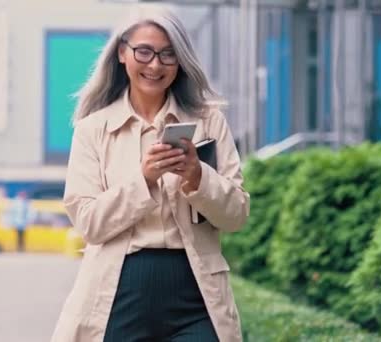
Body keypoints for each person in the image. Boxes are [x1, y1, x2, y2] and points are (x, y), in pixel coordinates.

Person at [51, 6, 249, 342]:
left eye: (168, 55)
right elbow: (88, 223)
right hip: (118, 292)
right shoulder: (92, 129)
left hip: (196, 293)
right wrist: (144, 180)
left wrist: (197, 176)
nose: (155, 65)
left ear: (181, 60)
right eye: (144, 51)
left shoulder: (208, 122)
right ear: (122, 53)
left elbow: (237, 215)